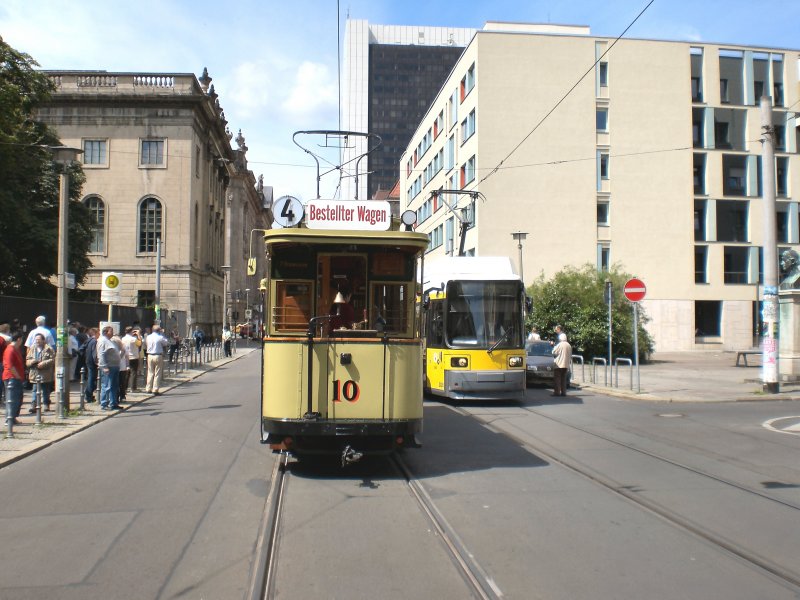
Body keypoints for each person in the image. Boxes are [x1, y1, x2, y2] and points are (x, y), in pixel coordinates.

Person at [26, 333, 55, 412]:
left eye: (39, 339)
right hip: (35, 373)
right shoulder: (32, 348)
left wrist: (43, 363)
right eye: (36, 339)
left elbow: (53, 360)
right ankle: (34, 405)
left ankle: (46, 404)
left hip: (45, 374)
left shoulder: (49, 349)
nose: (37, 341)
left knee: (46, 390)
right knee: (35, 390)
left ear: (43, 340)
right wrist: (32, 362)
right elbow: (27, 360)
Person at [96, 325, 121, 410]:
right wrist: (104, 366)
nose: (113, 333)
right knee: (107, 386)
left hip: (114, 366)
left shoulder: (109, 341)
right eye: (111, 331)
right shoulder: (103, 341)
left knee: (114, 386)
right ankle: (104, 404)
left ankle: (113, 403)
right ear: (106, 332)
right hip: (109, 367)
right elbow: (101, 354)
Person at [3, 332, 25, 423]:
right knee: (12, 399)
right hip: (11, 378)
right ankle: (9, 419)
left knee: (18, 399)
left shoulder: (16, 349)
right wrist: (17, 376)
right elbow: (10, 366)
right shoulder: (10, 350)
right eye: (22, 339)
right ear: (19, 339)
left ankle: (13, 417)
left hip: (16, 378)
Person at [145, 325, 170, 395]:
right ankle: (155, 389)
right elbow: (166, 343)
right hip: (158, 355)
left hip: (150, 355)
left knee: (150, 372)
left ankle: (148, 388)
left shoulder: (148, 337)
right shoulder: (160, 337)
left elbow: (146, 344)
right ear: (159, 330)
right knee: (157, 373)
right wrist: (162, 334)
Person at [551, 333, 573, 397]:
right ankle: (563, 392)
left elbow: (554, 352)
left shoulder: (560, 345)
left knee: (557, 379)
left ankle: (557, 392)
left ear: (560, 339)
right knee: (563, 379)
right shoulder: (569, 345)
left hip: (559, 364)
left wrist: (553, 345)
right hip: (566, 364)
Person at [121, 327, 142, 392]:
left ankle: (125, 388)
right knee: (133, 373)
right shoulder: (133, 339)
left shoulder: (123, 338)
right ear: (131, 331)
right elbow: (140, 343)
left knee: (126, 373)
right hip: (133, 357)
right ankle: (133, 388)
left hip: (126, 356)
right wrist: (138, 335)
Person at [82, 328, 99, 403]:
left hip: (88, 361)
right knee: (92, 379)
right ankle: (88, 395)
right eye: (98, 333)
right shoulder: (94, 341)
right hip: (92, 362)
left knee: (91, 378)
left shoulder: (88, 340)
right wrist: (97, 362)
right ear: (95, 333)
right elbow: (94, 353)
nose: (99, 335)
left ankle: (88, 394)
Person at [113, 333, 129, 403]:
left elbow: (127, 356)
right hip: (120, 367)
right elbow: (127, 357)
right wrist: (127, 365)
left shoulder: (123, 346)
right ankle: (120, 396)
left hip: (121, 367)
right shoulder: (116, 347)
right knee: (121, 382)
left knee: (120, 383)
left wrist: (127, 365)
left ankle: (121, 396)